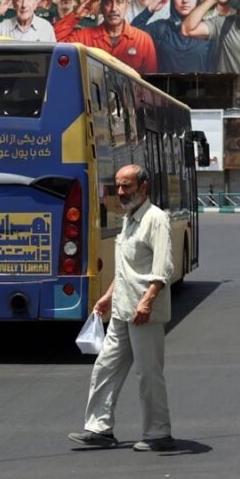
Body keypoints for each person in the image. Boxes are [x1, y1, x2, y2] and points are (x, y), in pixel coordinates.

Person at [68, 165, 176, 453]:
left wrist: (148, 299)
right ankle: (99, 429)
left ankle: (158, 433)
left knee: (148, 373)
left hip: (144, 312)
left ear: (143, 187)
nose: (120, 192)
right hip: (121, 308)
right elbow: (126, 268)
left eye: (126, 186)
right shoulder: (129, 219)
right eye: (117, 186)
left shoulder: (156, 219)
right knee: (105, 366)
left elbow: (163, 267)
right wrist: (106, 297)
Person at [53, 0, 158, 75]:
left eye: (120, 2)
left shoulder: (143, 41)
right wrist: (76, 15)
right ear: (101, 6)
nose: (113, 9)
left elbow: (150, 84)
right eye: (108, 2)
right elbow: (55, 45)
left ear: (127, 4)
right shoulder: (84, 37)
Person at [138, 0, 212, 74]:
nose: (185, 0)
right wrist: (150, 10)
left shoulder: (209, 30)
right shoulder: (160, 28)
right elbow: (132, 37)